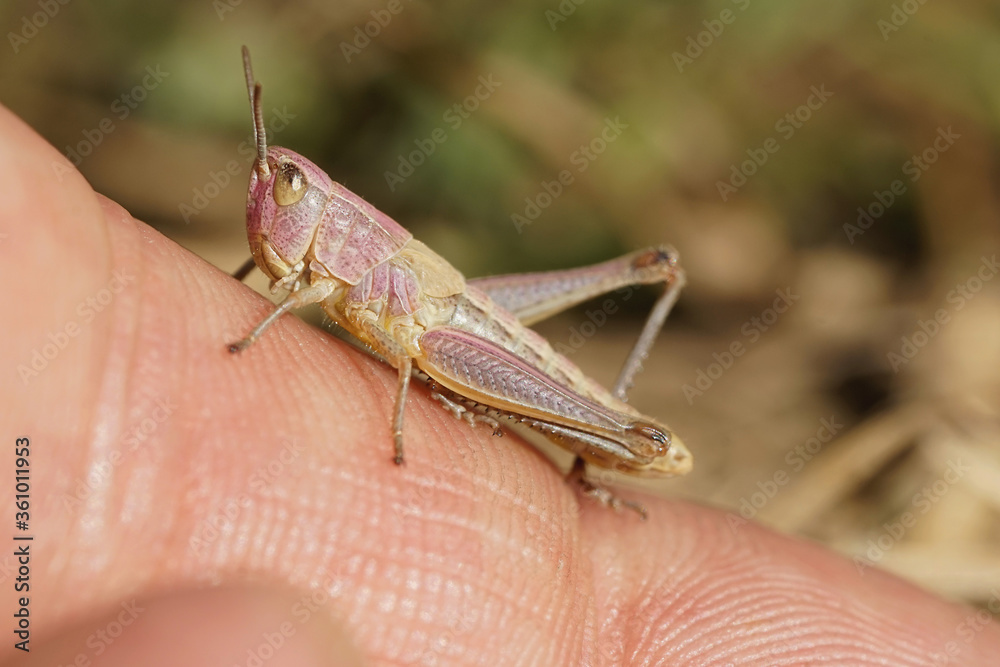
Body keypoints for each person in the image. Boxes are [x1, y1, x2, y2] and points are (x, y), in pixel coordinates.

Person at [3, 103, 997, 666]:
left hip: (452, 330)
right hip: (440, 314)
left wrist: (311, 348)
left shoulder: (355, 257)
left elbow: (393, 338)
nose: (273, 200)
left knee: (432, 337)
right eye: (274, 184)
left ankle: (597, 437)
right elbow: (283, 281)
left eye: (289, 185)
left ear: (321, 203)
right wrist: (257, 294)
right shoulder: (308, 257)